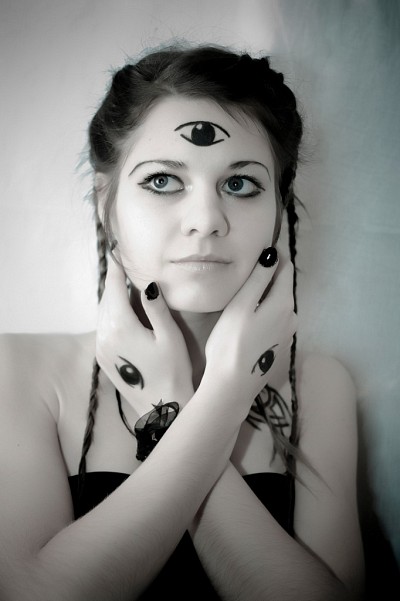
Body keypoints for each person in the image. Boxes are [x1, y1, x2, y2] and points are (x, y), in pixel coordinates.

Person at [0, 43, 365, 600]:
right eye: (163, 181)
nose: (206, 221)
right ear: (105, 202)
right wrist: (214, 407)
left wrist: (170, 403)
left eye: (239, 184)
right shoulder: (20, 372)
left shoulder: (318, 387)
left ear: (279, 209)